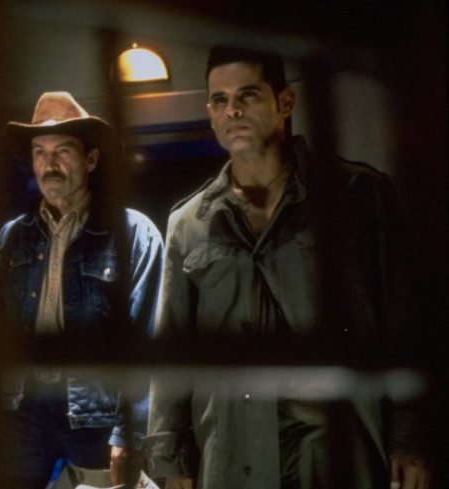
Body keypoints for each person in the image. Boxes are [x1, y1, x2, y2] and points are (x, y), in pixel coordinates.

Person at [144, 47, 431, 489]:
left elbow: (404, 324)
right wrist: (172, 460)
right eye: (220, 100)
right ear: (210, 114)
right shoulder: (190, 223)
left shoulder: (359, 197)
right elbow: (173, 351)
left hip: (337, 449)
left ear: (285, 102)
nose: (233, 109)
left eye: (248, 95)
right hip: (233, 455)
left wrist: (410, 438)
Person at [0, 92, 163, 488]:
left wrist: (129, 431)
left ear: (91, 160)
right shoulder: (10, 239)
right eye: (40, 152)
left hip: (100, 411)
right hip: (22, 410)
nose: (49, 165)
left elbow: (145, 340)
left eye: (63, 151)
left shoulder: (134, 234)